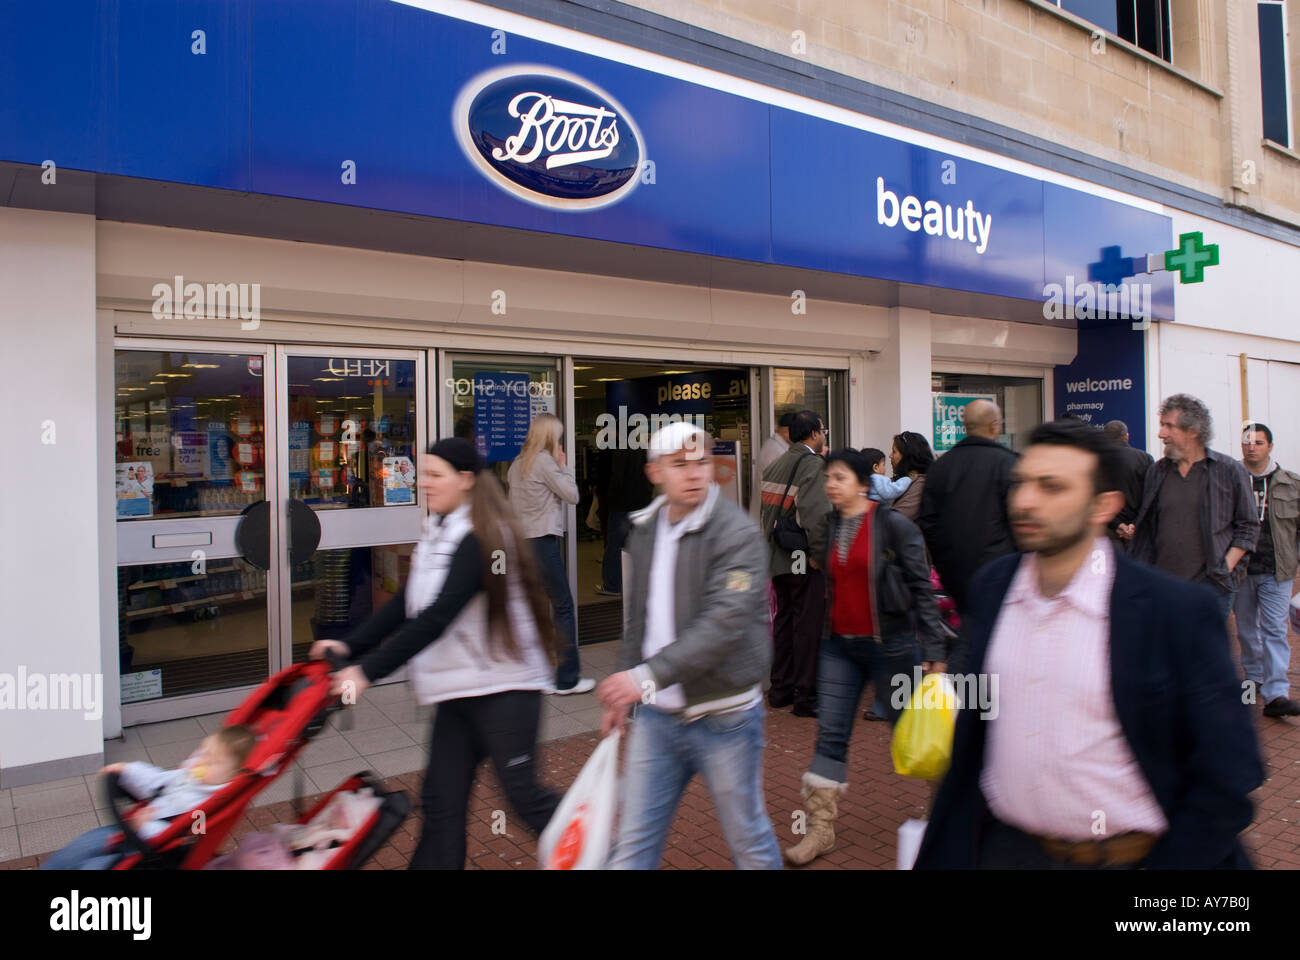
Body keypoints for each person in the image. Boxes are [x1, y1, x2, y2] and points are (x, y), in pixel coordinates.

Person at [917, 419, 1264, 869]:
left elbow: (1228, 776)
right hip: (1009, 851)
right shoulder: (993, 588)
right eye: (1021, 483)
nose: (1025, 500)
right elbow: (973, 743)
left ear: (1104, 506)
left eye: (1052, 487)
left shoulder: (1173, 611)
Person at [311, 438, 561, 869]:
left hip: (506, 691)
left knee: (524, 800)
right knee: (441, 806)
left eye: (433, 475)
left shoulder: (483, 537)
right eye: (421, 473)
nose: (422, 482)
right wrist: (349, 646)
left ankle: (610, 855)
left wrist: (365, 672)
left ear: (465, 480)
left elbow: (437, 616)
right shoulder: (439, 529)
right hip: (459, 692)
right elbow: (405, 605)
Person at [596, 421, 780, 870]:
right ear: (654, 472)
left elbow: (724, 623)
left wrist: (642, 678)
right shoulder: (645, 529)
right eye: (680, 465)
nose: (696, 473)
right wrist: (629, 687)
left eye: (701, 462)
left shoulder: (736, 534)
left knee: (748, 842)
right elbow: (639, 620)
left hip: (726, 716)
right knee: (633, 844)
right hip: (658, 717)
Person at [784, 449, 948, 867]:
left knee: (913, 734)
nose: (830, 485)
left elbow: (920, 587)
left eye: (838, 477)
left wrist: (932, 648)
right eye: (828, 478)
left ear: (862, 483)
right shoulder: (831, 524)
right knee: (831, 736)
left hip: (891, 648)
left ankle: (948, 808)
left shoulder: (892, 525)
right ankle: (820, 829)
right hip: (839, 646)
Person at [1120, 394, 1259, 622]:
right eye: (1161, 425)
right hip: (1162, 587)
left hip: (1211, 589)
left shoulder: (1229, 471)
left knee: (1200, 654)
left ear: (1192, 431)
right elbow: (1150, 526)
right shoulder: (1157, 471)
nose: (1161, 434)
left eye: (1169, 426)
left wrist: (1226, 565)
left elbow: (1249, 526)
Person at [42, 726, 257, 869]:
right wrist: (127, 771)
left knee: (92, 867)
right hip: (129, 833)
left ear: (233, 776)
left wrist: (143, 827)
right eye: (203, 752)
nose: (202, 761)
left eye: (213, 761)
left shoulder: (208, 806)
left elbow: (188, 836)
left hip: (149, 852)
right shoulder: (189, 776)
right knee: (79, 847)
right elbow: (158, 781)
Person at [507, 414, 593, 695]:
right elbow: (573, 495)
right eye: (558, 435)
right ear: (549, 437)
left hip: (521, 544)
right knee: (563, 606)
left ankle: (537, 674)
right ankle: (567, 679)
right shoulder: (544, 462)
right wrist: (564, 466)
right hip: (541, 543)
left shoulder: (517, 464)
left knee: (535, 610)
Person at [760, 410, 832, 717]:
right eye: (823, 429)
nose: (825, 434)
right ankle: (805, 696)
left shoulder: (776, 463)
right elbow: (816, 517)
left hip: (777, 556)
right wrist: (818, 555)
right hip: (801, 558)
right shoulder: (812, 465)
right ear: (814, 433)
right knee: (807, 625)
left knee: (784, 622)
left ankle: (780, 689)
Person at [917, 399, 1017, 620]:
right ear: (994, 426)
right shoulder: (1009, 464)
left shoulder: (940, 467)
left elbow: (927, 523)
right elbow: (1019, 521)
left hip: (955, 576)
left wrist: (945, 564)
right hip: (1003, 574)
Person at [1235, 422, 1300, 717]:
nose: (1251, 447)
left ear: (1270, 446)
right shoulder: (1229, 479)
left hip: (1277, 572)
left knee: (1274, 630)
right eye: (1247, 442)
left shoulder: (1291, 483)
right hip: (1241, 570)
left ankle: (1277, 696)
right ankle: (1251, 686)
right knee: (1247, 632)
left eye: (1258, 442)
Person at [597, 446, 653, 597]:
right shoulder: (642, 448)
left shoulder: (621, 449)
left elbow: (617, 478)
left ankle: (612, 585)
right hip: (642, 503)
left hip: (622, 505)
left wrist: (610, 499)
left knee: (615, 545)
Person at [1102, 420, 1153, 550]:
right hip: (1139, 534)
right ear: (1127, 436)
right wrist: (1134, 525)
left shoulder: (1096, 460)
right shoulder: (1145, 459)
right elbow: (1151, 495)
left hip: (1108, 532)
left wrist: (1118, 525)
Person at [888, 431, 935, 522]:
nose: (890, 456)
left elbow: (896, 518)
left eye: (894, 452)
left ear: (907, 456)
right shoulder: (904, 479)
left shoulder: (920, 484)